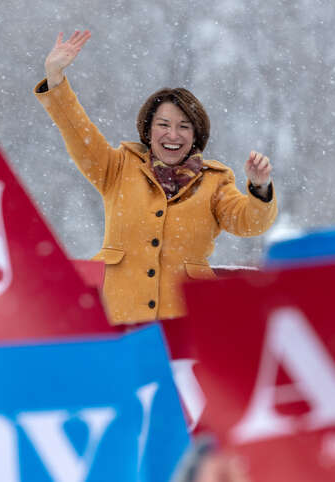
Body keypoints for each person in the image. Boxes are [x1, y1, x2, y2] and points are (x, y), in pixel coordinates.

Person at [35, 31, 278, 324]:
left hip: (185, 323)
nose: (172, 135)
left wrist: (260, 186)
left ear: (196, 135)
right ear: (148, 130)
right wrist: (55, 77)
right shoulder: (117, 168)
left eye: (183, 126)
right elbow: (77, 130)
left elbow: (250, 222)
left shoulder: (214, 182)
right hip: (118, 318)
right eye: (163, 124)